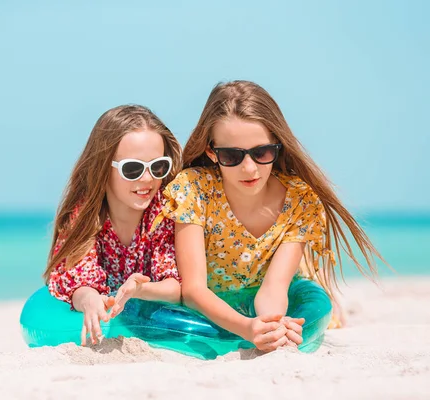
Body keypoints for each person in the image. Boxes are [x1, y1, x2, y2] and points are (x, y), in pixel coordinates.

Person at [161, 80, 384, 352]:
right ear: (210, 151)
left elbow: (274, 288)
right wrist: (246, 328)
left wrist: (271, 325)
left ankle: (323, 285)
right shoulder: (193, 189)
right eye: (232, 155)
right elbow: (194, 290)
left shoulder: (300, 199)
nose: (249, 168)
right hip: (212, 301)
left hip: (273, 288)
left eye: (261, 152)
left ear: (277, 146)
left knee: (321, 310)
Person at [44, 104, 183, 346]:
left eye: (158, 166)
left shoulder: (165, 212)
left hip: (155, 323)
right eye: (132, 168)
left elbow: (175, 285)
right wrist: (88, 299)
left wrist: (138, 290)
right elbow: (74, 275)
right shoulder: (85, 216)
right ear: (103, 168)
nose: (148, 179)